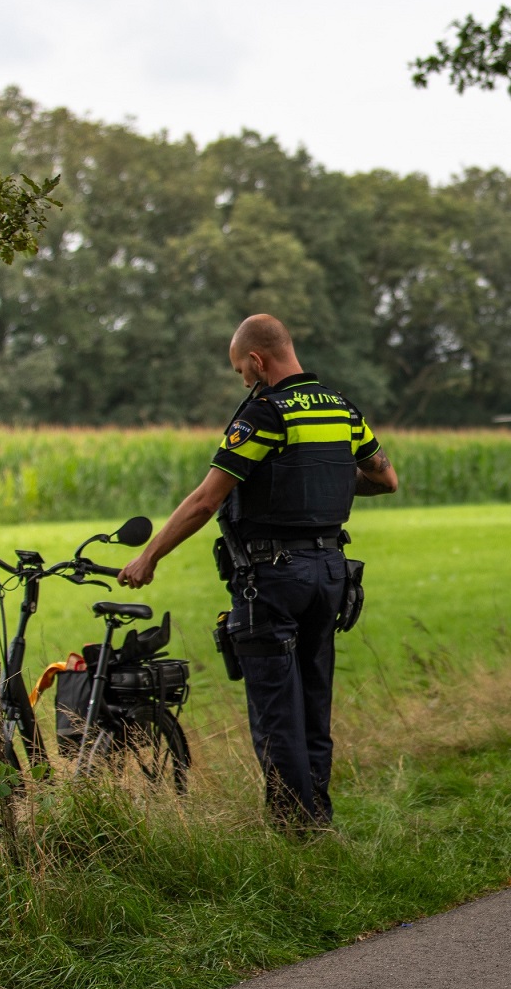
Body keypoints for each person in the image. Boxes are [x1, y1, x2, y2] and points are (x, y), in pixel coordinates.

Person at [120, 314, 397, 827]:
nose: (242, 382)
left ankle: (293, 827)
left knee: (276, 710)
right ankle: (319, 818)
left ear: (256, 360)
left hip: (273, 578)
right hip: (332, 575)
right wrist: (322, 478)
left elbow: (206, 501)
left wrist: (149, 556)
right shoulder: (342, 410)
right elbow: (385, 479)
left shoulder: (265, 414)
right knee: (315, 703)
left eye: (239, 371)